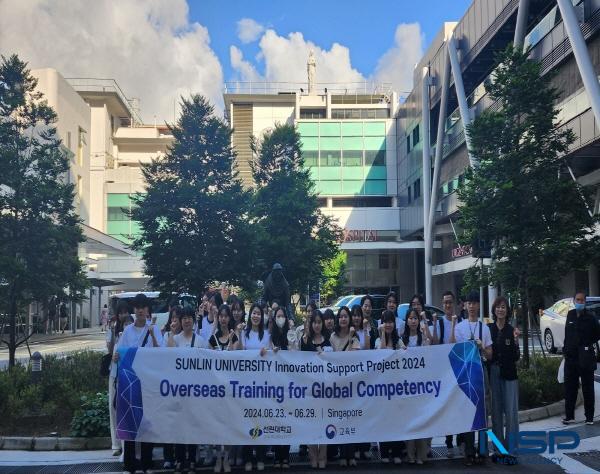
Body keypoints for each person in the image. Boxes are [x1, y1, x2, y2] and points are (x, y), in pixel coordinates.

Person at [113, 293, 163, 474]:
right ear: (134, 310)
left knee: (147, 421)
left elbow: (161, 354)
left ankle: (147, 463)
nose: (140, 310)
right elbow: (118, 354)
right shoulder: (127, 332)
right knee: (129, 421)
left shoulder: (154, 330)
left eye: (143, 307)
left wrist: (154, 336)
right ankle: (130, 463)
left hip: (149, 384)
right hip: (130, 383)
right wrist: (116, 356)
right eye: (137, 307)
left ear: (148, 310)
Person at [450, 290, 493, 466]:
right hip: (466, 372)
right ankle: (469, 451)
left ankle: (482, 450)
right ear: (465, 306)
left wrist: (482, 348)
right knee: (469, 411)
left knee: (483, 412)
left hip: (481, 371)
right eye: (469, 303)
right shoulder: (460, 327)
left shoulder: (485, 327)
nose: (472, 306)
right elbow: (454, 349)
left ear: (478, 305)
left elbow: (490, 355)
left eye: (475, 303)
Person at [488, 296, 520, 463]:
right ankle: (499, 450)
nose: (500, 310)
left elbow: (516, 357)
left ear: (507, 311)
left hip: (509, 374)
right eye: (498, 307)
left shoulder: (511, 330)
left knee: (511, 412)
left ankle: (512, 450)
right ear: (494, 310)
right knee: (496, 412)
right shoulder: (489, 329)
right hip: (493, 372)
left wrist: (515, 341)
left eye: (503, 307)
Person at [238, 303, 270, 472]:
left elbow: (273, 355)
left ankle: (261, 457)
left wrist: (269, 352)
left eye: (259, 313)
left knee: (261, 422)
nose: (256, 316)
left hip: (262, 386)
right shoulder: (244, 333)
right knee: (247, 422)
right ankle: (247, 458)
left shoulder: (267, 335)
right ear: (250, 315)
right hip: (246, 386)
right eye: (254, 313)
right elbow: (239, 354)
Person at [563, 290, 600, 426]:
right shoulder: (570, 315)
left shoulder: (591, 317)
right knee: (569, 388)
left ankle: (589, 417)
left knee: (588, 388)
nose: (579, 302)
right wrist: (566, 351)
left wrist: (586, 343)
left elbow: (597, 334)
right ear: (574, 301)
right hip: (571, 358)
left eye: (582, 300)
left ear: (585, 302)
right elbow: (567, 334)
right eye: (577, 300)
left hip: (585, 357)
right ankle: (569, 416)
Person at [301, 310, 331, 469]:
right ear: (311, 324)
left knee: (325, 421)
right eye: (315, 322)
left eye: (320, 322)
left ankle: (323, 455)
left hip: (325, 390)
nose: (317, 325)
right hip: (309, 389)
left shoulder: (329, 341)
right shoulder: (305, 340)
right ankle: (312, 455)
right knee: (311, 423)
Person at [330, 306, 359, 467]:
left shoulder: (355, 337)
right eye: (340, 316)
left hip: (351, 384)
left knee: (351, 419)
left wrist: (351, 338)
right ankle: (343, 453)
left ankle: (351, 454)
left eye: (345, 316)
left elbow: (352, 359)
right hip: (336, 384)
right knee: (340, 419)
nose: (343, 319)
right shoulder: (332, 337)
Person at [402, 309, 432, 465]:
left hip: (421, 386)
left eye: (415, 318)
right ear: (406, 321)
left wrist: (425, 325)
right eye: (410, 318)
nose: (413, 321)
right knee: (409, 422)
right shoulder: (403, 339)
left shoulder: (423, 338)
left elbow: (428, 354)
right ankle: (410, 454)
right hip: (407, 387)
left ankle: (421, 455)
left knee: (421, 421)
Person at [376, 310, 405, 464]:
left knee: (397, 420)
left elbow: (405, 356)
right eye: (385, 322)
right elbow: (381, 354)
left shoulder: (398, 340)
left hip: (397, 387)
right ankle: (385, 451)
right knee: (385, 420)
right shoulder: (377, 340)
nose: (388, 325)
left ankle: (397, 451)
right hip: (382, 389)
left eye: (390, 322)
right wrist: (382, 335)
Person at [106, 301, 133, 458]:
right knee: (113, 407)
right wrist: (112, 332)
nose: (123, 315)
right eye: (121, 312)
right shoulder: (114, 330)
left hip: (127, 374)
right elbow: (109, 350)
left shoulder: (132, 331)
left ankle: (125, 444)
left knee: (125, 407)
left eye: (126, 312)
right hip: (114, 373)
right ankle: (115, 444)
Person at [437, 290, 461, 457]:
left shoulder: (461, 322)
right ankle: (449, 441)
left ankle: (461, 440)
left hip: (458, 369)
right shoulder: (438, 323)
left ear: (455, 304)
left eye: (450, 302)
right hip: (443, 371)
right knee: (447, 406)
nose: (447, 305)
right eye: (445, 302)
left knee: (459, 406)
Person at [161, 306, 183, 470]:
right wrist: (171, 334)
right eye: (173, 318)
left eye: (178, 318)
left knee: (181, 422)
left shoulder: (185, 338)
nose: (175, 321)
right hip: (169, 385)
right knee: (168, 422)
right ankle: (168, 455)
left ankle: (180, 457)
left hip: (183, 387)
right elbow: (168, 354)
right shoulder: (167, 336)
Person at [270, 307, 291, 469]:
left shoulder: (291, 333)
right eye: (278, 316)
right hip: (274, 383)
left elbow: (296, 351)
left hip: (289, 384)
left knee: (288, 418)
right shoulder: (269, 335)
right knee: (276, 418)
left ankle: (286, 455)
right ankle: (278, 455)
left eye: (283, 315)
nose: (281, 318)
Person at [350, 305, 371, 461]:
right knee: (353, 413)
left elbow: (368, 349)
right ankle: (355, 447)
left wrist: (364, 329)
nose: (356, 318)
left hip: (365, 377)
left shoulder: (365, 330)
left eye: (358, 315)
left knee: (365, 412)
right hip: (351, 378)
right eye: (354, 315)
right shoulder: (348, 331)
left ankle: (365, 447)